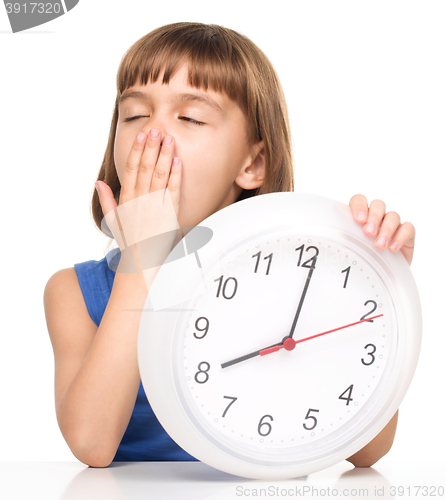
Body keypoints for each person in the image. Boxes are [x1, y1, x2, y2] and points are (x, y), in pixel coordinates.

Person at [43, 22, 415, 469]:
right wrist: (144, 258)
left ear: (253, 164)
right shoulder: (74, 292)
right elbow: (91, 444)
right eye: (135, 115)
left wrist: (376, 289)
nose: (153, 136)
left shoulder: (296, 279)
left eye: (190, 118)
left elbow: (368, 451)